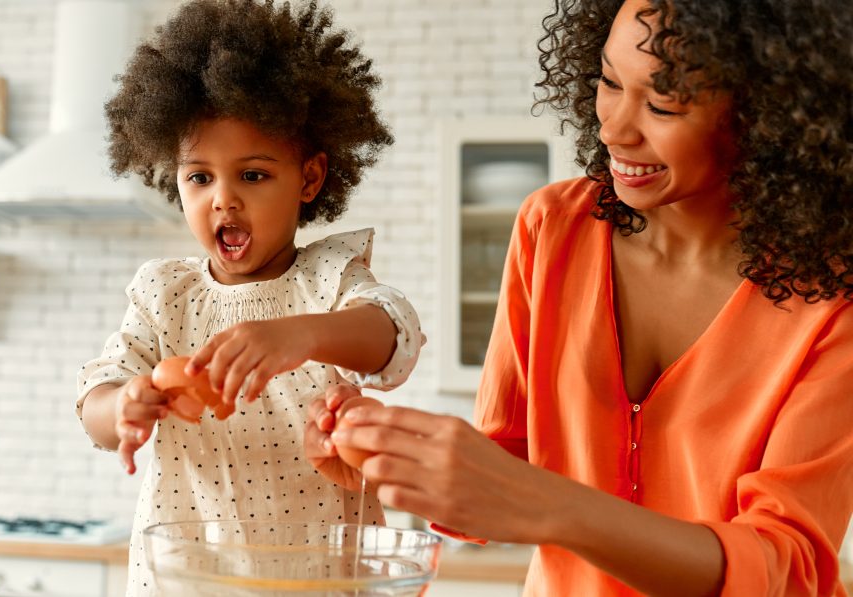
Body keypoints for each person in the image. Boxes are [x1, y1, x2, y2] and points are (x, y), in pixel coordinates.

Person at [306, 0, 853, 594]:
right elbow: (511, 461)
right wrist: (396, 453)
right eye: (608, 81)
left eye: (663, 103)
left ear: (767, 114)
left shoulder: (832, 304)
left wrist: (555, 507)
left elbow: (782, 564)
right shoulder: (553, 228)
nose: (614, 128)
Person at [75, 1, 424, 594]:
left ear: (309, 180)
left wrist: (302, 333)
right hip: (189, 577)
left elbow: (395, 335)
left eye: (253, 175)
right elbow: (96, 400)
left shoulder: (329, 279)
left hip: (319, 574)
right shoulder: (166, 295)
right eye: (200, 177)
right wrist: (124, 408)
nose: (222, 200)